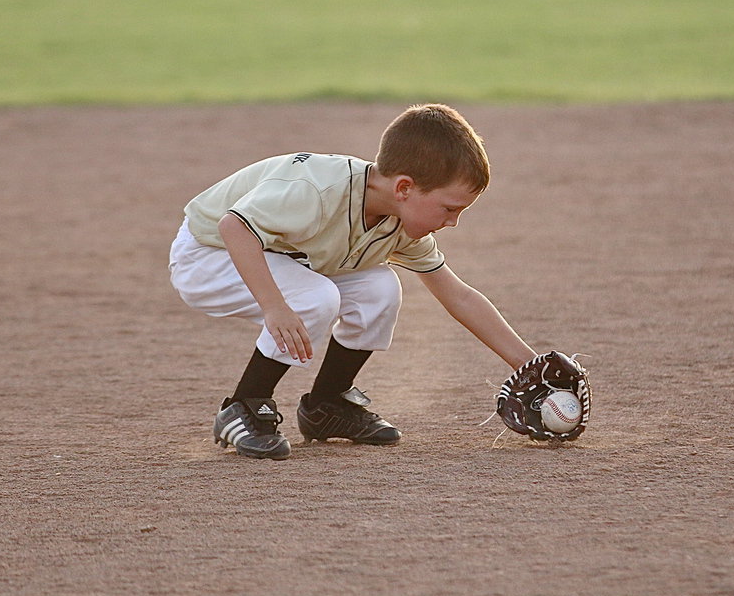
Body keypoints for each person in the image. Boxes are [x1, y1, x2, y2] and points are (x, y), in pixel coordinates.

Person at [168, 103, 536, 460]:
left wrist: (530, 366)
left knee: (380, 289)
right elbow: (233, 227)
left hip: (276, 255)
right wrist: (275, 306)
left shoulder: (397, 222)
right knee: (316, 297)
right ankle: (243, 405)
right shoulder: (317, 191)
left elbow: (459, 296)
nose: (453, 221)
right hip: (208, 255)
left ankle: (326, 404)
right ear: (404, 188)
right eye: (450, 208)